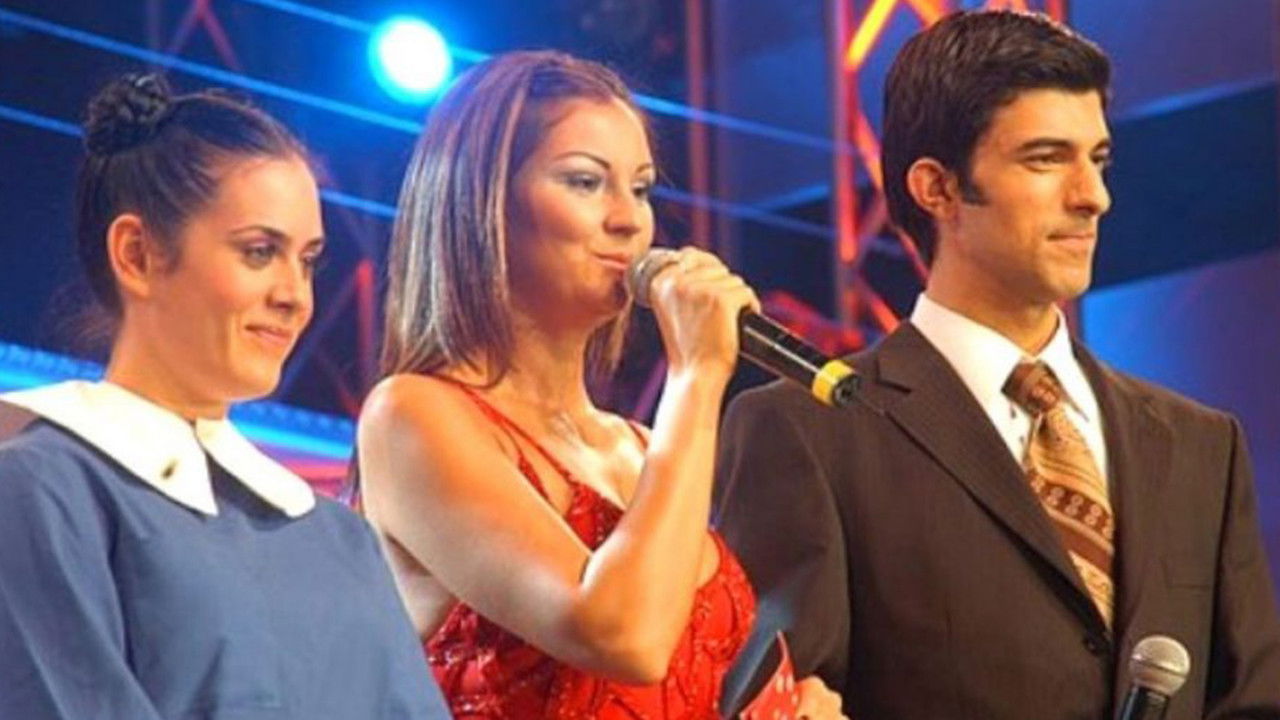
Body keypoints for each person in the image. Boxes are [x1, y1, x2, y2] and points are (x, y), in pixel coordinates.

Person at [713, 10, 1280, 720]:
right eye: (1046, 159)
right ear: (937, 188)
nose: (1093, 196)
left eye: (1098, 160)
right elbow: (781, 702)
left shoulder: (1200, 444)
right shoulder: (808, 433)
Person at [357, 50, 844, 719]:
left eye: (640, 189)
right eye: (586, 182)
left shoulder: (642, 447)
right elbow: (623, 637)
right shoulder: (412, 416)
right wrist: (697, 374)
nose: (630, 220)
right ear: (482, 206)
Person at [0, 74, 450, 719]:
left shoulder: (338, 536)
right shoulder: (42, 490)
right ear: (136, 254)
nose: (295, 295)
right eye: (260, 252)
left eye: (308, 260)